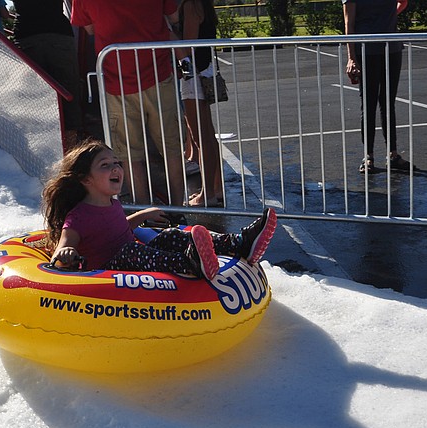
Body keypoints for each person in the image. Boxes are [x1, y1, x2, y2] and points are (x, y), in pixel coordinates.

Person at [43, 141, 277, 280]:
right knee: (131, 251)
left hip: (128, 255)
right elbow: (63, 247)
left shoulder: (112, 203)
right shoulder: (78, 217)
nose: (116, 168)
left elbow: (119, 228)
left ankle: (240, 243)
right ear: (85, 179)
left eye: (116, 163)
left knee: (169, 236)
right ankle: (188, 264)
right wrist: (65, 252)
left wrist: (144, 215)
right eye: (105, 165)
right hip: (106, 272)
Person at [71, 0, 186, 206]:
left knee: (129, 154)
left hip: (117, 80)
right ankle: (179, 209)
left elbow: (89, 29)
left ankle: (145, 211)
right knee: (172, 147)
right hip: (158, 74)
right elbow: (174, 16)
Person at [343, 0, 412, 174]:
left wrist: (387, 18)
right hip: (367, 50)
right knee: (368, 104)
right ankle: (368, 156)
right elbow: (349, 23)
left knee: (388, 103)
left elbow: (403, 2)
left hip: (392, 48)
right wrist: (351, 58)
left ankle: (393, 154)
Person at [11, 0, 84, 150]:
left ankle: (40, 151)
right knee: (68, 95)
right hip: (59, 33)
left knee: (33, 98)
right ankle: (70, 153)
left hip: (26, 35)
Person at [177, 0, 224, 207]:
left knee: (201, 137)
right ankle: (216, 188)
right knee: (207, 135)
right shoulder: (202, 4)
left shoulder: (191, 5)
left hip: (193, 74)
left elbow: (187, 46)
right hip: (203, 71)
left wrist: (169, 35)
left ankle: (208, 193)